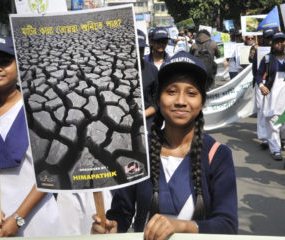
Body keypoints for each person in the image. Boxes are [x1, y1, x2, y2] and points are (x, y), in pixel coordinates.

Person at [91, 52, 238, 239]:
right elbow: (121, 212)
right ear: (159, 99)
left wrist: (180, 226)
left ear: (202, 103)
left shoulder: (217, 155)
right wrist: (110, 228)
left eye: (191, 93)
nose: (181, 101)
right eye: (171, 91)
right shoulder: (138, 150)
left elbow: (227, 225)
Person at [0, 34, 64, 238]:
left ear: (18, 65)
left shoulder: (41, 109)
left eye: (5, 62)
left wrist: (19, 217)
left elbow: (53, 170)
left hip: (37, 220)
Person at [255, 32, 285, 160]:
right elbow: (258, 75)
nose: (280, 44)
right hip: (272, 95)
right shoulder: (267, 59)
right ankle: (275, 149)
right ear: (273, 44)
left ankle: (283, 139)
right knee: (273, 122)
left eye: (282, 41)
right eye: (277, 42)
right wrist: (261, 86)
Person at [252, 28, 274, 149]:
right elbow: (255, 70)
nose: (270, 41)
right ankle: (264, 138)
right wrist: (259, 83)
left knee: (274, 109)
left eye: (272, 38)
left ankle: (277, 136)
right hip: (261, 83)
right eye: (268, 38)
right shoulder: (258, 52)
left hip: (275, 84)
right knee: (261, 110)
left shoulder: (281, 52)